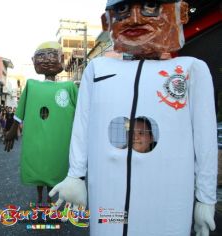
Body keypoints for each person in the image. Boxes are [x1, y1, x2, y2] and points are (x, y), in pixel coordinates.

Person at [50, 1, 217, 236]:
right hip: (109, 197)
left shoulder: (190, 70)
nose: (135, 18)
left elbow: (205, 139)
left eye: (150, 5)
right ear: (107, 20)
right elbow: (83, 126)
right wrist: (75, 174)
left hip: (168, 202)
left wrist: (205, 198)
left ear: (179, 12)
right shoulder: (97, 69)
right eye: (122, 10)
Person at [5, 41, 78, 204]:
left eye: (52, 55)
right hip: (36, 139)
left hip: (58, 141)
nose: (46, 60)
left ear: (61, 58)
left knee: (55, 168)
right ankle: (40, 197)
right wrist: (12, 129)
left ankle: (50, 197)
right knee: (39, 169)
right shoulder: (31, 85)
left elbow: (82, 113)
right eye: (41, 56)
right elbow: (21, 110)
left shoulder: (69, 88)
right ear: (34, 61)